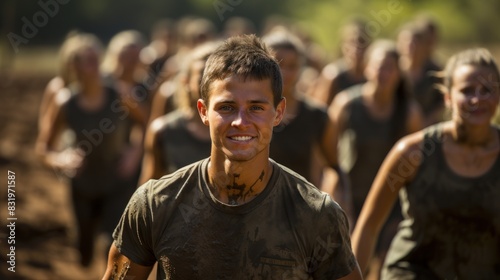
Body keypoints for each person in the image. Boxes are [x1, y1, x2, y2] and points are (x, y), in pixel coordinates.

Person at [103, 34, 362, 280]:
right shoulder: (154, 204)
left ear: (278, 112)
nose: (241, 121)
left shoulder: (316, 215)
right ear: (203, 111)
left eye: (256, 108)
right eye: (226, 107)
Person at [351, 47, 500, 279]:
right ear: (448, 98)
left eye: (487, 90)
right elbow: (369, 226)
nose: (477, 99)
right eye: (467, 90)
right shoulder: (413, 153)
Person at [36, 33, 143, 268]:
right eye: (87, 60)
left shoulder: (120, 94)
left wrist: (134, 154)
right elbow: (43, 149)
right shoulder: (65, 102)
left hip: (117, 181)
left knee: (111, 243)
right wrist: (61, 159)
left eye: (97, 58)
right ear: (74, 65)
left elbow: (144, 124)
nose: (95, 65)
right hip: (82, 183)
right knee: (83, 250)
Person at [329, 39, 423, 278]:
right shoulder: (346, 104)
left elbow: (420, 162)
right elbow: (328, 156)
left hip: (392, 202)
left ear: (399, 73)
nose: (384, 73)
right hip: (352, 197)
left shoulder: (409, 112)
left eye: (390, 67)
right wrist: (332, 198)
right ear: (367, 68)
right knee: (351, 266)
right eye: (379, 66)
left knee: (384, 267)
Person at [262, 29, 352, 217]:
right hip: (255, 209)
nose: (285, 73)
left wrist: (331, 204)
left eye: (293, 66)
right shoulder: (250, 112)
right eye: (279, 65)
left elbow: (333, 167)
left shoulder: (316, 115)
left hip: (299, 213)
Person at [139, 42, 220, 184]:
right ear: (186, 82)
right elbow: (149, 184)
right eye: (202, 75)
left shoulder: (237, 128)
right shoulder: (163, 131)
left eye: (216, 76)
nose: (209, 82)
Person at [309, 18, 371, 106]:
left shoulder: (372, 75)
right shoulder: (333, 74)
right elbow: (320, 110)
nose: (356, 49)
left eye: (362, 42)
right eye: (351, 43)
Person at [397, 21, 443, 126]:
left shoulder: (435, 71)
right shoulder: (394, 71)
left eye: (415, 43)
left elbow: (441, 103)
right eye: (406, 42)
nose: (410, 46)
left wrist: (426, 121)